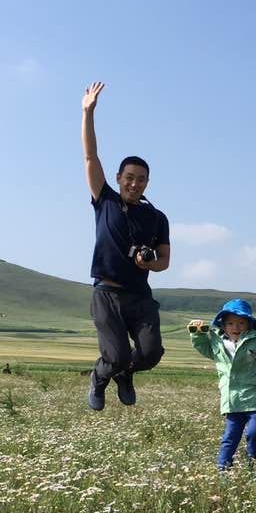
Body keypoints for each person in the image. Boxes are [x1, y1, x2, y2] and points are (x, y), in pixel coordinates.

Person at [82, 81, 171, 410]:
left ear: (147, 183)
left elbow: (164, 260)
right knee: (116, 353)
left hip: (139, 295)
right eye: (129, 177)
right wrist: (88, 113)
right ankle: (102, 374)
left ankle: (124, 372)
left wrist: (149, 264)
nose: (135, 183)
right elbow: (90, 155)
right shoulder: (103, 200)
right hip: (106, 292)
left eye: (142, 179)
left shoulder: (157, 217)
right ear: (119, 177)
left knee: (150, 353)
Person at [188, 298, 256, 469]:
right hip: (232, 397)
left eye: (241, 323)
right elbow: (203, 347)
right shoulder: (216, 342)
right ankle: (223, 468)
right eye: (231, 323)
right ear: (223, 325)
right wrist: (197, 333)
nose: (236, 327)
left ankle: (253, 462)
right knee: (230, 436)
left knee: (254, 432)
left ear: (249, 324)